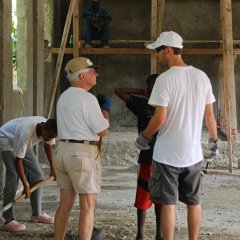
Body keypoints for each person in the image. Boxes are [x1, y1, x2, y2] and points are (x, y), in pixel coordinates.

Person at [135, 31, 219, 240]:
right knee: (194, 202)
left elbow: (159, 118)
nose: (156, 55)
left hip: (166, 155)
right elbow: (209, 115)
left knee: (168, 203)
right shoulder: (201, 77)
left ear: (169, 51)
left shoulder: (164, 80)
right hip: (193, 155)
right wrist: (214, 142)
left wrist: (143, 138)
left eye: (158, 51)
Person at [54, 57, 110, 240]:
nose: (96, 74)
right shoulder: (87, 98)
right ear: (83, 76)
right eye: (93, 71)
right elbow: (102, 130)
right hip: (82, 153)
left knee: (65, 204)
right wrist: (105, 112)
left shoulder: (64, 96)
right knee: (88, 206)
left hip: (62, 151)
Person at [115, 74, 162, 240]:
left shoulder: (145, 104)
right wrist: (144, 92)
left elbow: (119, 91)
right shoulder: (155, 105)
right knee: (158, 197)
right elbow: (119, 91)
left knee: (146, 195)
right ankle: (155, 234)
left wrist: (142, 92)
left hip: (152, 158)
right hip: (158, 158)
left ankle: (143, 234)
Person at [0, 117, 58, 232]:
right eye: (49, 136)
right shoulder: (25, 132)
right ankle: (7, 219)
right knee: (14, 175)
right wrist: (26, 184)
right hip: (6, 138)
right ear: (43, 128)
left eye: (52, 137)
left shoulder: (50, 128)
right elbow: (18, 160)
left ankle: (37, 214)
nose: (49, 139)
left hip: (20, 141)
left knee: (37, 175)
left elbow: (48, 146)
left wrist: (53, 169)